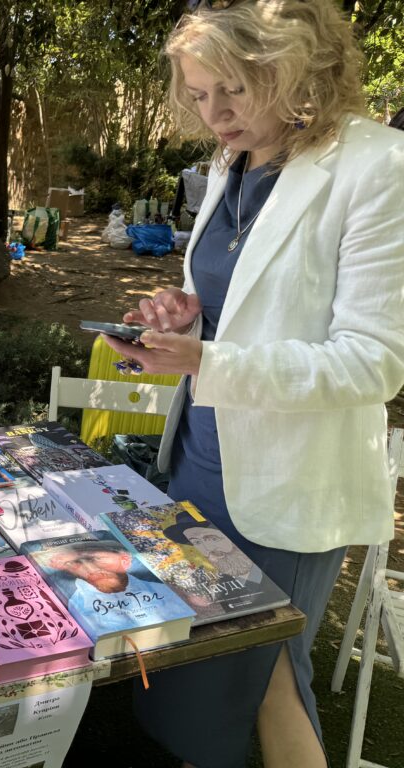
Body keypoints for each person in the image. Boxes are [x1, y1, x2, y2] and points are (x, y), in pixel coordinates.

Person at [100, 2, 404, 767]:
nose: (215, 114)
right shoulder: (231, 164)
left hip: (287, 479)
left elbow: (373, 360)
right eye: (200, 95)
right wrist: (187, 314)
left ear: (296, 65)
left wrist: (207, 362)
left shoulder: (377, 165)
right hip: (198, 455)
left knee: (267, 677)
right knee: (193, 660)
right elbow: (244, 299)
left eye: (233, 88)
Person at [44, 540, 191, 631]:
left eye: (97, 558)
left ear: (125, 560)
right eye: (75, 563)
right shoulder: (72, 607)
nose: (91, 569)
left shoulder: (164, 591)